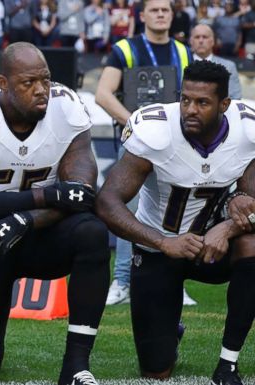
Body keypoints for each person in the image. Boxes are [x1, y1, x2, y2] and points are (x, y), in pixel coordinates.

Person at [0, 42, 110, 385]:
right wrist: (46, 196)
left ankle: (76, 367)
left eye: (45, 80)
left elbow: (81, 193)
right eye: (28, 82)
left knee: (92, 233)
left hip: (41, 235)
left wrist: (27, 220)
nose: (41, 90)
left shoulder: (66, 108)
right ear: (3, 83)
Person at [97, 60, 255, 385]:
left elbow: (252, 198)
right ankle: (169, 329)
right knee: (156, 371)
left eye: (202, 102)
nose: (190, 110)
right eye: (185, 100)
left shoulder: (247, 129)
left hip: (211, 247)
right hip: (158, 250)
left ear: (224, 105)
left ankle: (227, 366)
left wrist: (227, 227)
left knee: (252, 242)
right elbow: (107, 201)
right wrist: (162, 241)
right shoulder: (155, 131)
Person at [95, 0, 194, 307]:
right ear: (142, 15)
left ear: (172, 15)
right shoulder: (125, 48)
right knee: (132, 210)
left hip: (176, 144)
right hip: (139, 145)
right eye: (155, 10)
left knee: (178, 212)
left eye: (166, 10)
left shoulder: (183, 51)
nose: (161, 14)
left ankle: (178, 282)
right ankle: (122, 280)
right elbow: (102, 94)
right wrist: (135, 124)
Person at [190, 24, 241, 99]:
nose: (201, 41)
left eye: (205, 37)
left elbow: (235, 98)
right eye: (197, 37)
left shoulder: (228, 67)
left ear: (213, 41)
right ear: (191, 41)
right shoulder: (181, 64)